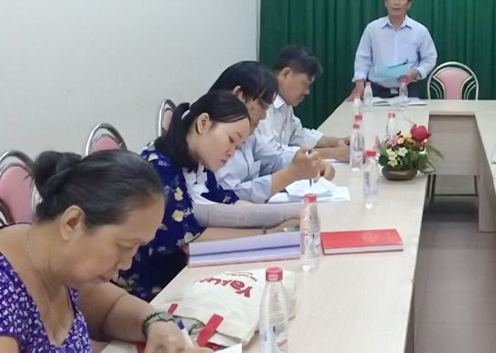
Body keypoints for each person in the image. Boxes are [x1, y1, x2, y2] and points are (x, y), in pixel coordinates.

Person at [0, 150, 209, 352]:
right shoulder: (6, 290)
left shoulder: (58, 260)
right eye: (124, 246)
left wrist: (155, 322)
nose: (127, 263)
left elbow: (111, 308)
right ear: (73, 222)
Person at [118, 91, 297, 301]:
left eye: (237, 147)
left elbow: (226, 201)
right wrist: (270, 233)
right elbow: (192, 240)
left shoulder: (196, 163)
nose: (232, 152)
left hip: (188, 271)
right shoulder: (159, 168)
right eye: (231, 140)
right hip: (156, 287)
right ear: (203, 123)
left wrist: (275, 217)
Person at [213, 61, 332, 203]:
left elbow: (275, 155)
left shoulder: (249, 134)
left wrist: (309, 161)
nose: (264, 116)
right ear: (240, 96)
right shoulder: (213, 133)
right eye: (262, 106)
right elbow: (227, 197)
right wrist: (291, 173)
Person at [257, 45, 350, 162]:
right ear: (286, 74)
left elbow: (298, 134)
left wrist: (335, 142)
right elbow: (271, 153)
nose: (307, 92)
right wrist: (333, 153)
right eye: (304, 84)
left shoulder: (284, 103)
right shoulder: (261, 104)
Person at [350, 0, 438, 100]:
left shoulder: (420, 30)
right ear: (386, 2)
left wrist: (416, 73)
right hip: (376, 91)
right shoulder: (372, 29)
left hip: (408, 90)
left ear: (409, 4)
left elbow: (430, 58)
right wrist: (359, 84)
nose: (396, 3)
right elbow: (362, 58)